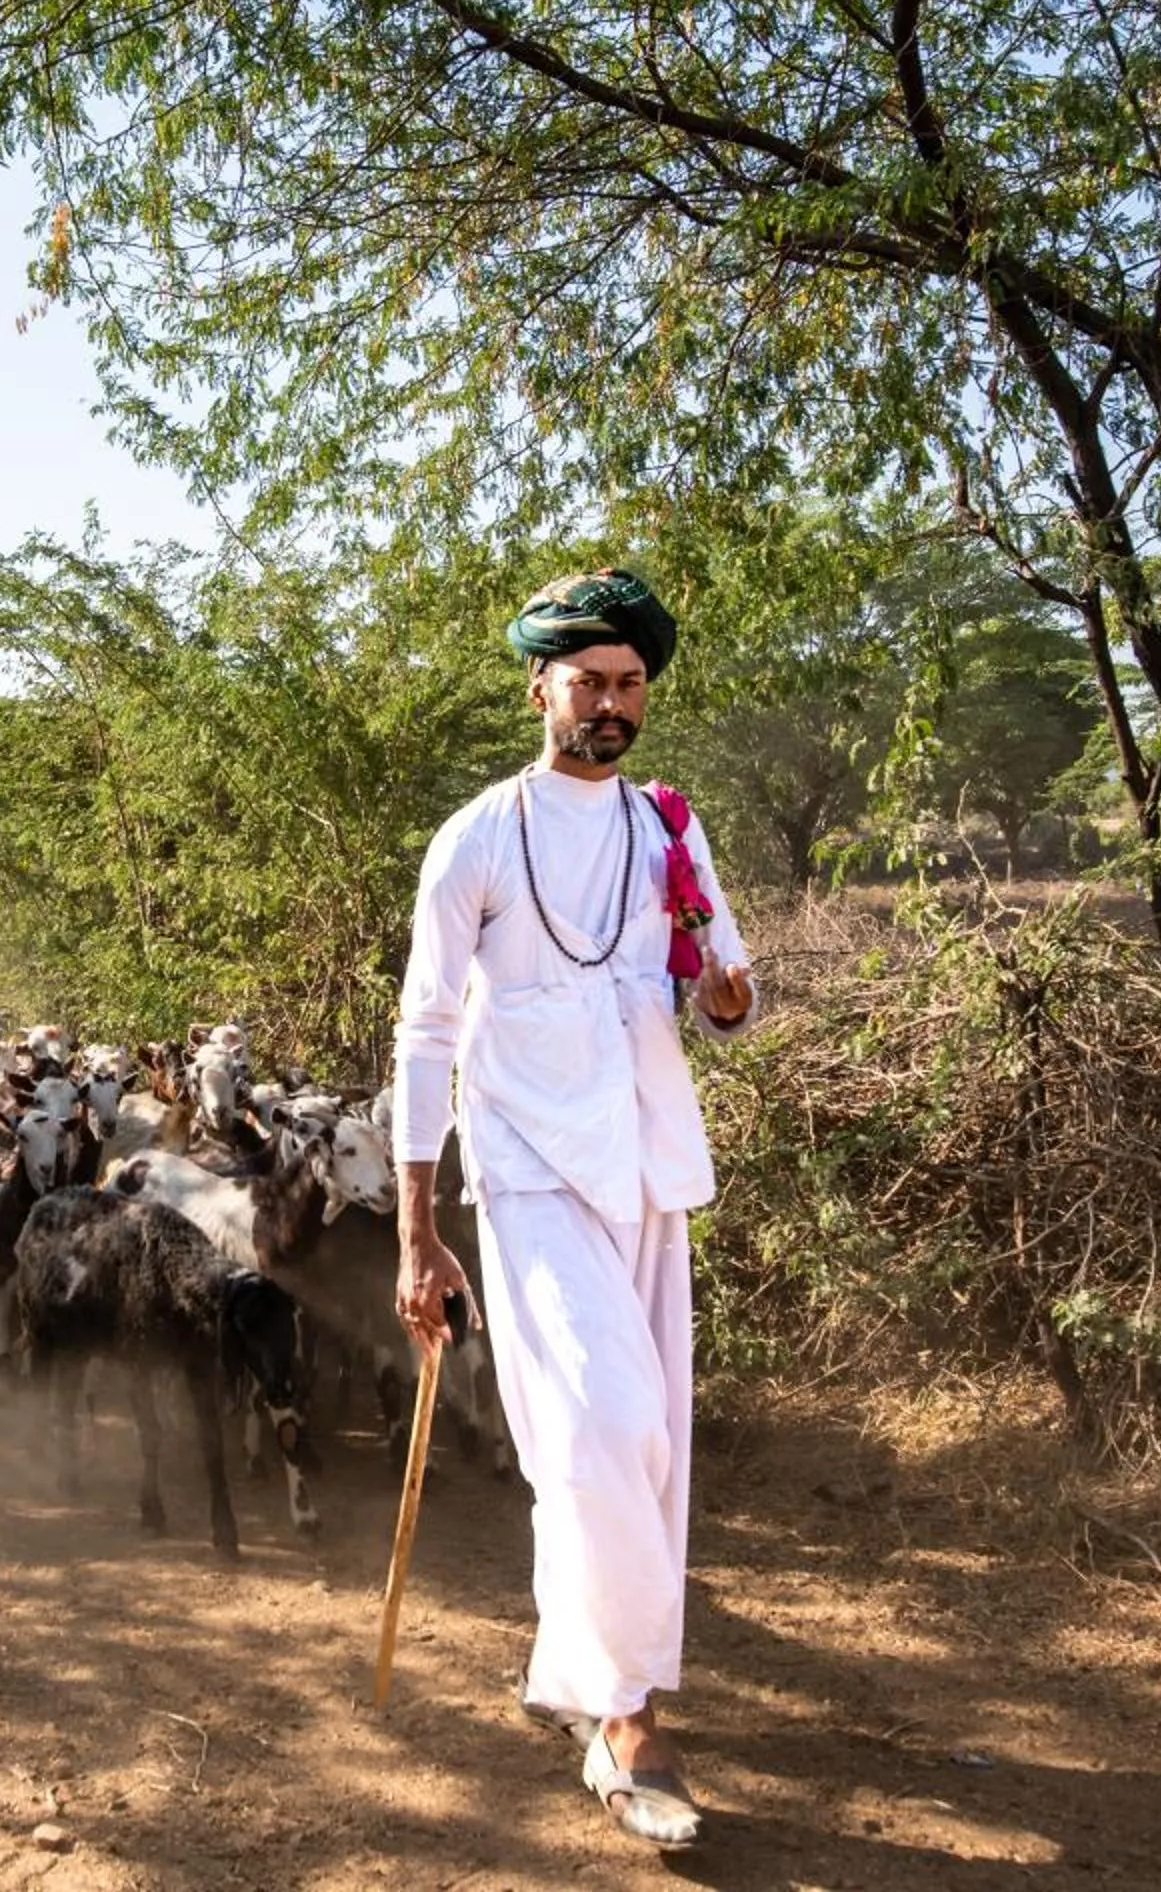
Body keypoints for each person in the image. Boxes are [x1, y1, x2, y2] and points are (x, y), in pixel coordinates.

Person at [391, 567, 757, 1853]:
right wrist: (417, 1227)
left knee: (632, 1445)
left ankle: (576, 1673)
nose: (610, 703)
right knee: (607, 1426)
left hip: (650, 1163)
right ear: (538, 686)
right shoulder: (479, 835)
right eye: (589, 680)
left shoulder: (669, 825)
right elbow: (427, 1029)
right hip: (530, 1172)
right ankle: (631, 1719)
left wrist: (723, 992)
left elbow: (726, 986)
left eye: (631, 682)